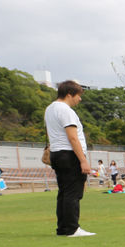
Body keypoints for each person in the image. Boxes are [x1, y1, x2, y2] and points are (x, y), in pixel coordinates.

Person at [46, 80, 95, 236]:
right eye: (78, 95)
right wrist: (83, 161)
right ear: (69, 94)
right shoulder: (66, 110)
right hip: (69, 154)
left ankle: (63, 228)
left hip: (57, 154)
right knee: (73, 193)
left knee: (64, 192)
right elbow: (72, 138)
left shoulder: (50, 109)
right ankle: (73, 228)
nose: (80, 99)